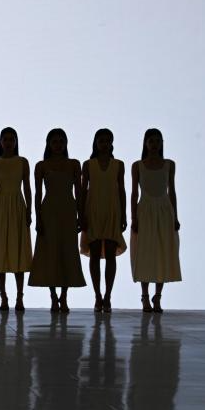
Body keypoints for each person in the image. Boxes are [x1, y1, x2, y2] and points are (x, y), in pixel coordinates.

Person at [29, 128, 85, 312]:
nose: (58, 145)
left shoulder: (74, 164)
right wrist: (38, 218)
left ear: (66, 144)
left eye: (61, 141)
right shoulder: (41, 166)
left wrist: (81, 215)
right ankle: (53, 296)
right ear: (48, 144)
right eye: (54, 142)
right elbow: (37, 194)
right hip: (49, 211)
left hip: (68, 210)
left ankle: (64, 296)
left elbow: (79, 191)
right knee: (50, 253)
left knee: (67, 252)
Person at [131, 128, 180, 312]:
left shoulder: (169, 164)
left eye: (158, 141)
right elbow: (134, 193)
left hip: (165, 210)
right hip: (145, 210)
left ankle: (158, 297)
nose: (154, 144)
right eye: (151, 141)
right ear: (145, 143)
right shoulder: (138, 165)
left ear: (162, 143)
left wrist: (175, 216)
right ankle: (144, 296)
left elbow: (172, 191)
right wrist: (133, 217)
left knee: (163, 251)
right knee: (144, 252)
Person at [0, 127, 33, 312]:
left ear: (16, 142)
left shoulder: (22, 162)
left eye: (11, 139)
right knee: (0, 251)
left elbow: (27, 187)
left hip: (17, 206)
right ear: (0, 142)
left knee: (17, 250)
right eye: (5, 139)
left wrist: (29, 210)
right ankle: (3, 296)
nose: (8, 142)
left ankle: (20, 296)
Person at [80, 128, 127, 312]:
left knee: (110, 254)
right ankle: (97, 295)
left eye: (108, 141)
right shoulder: (88, 165)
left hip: (112, 210)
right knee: (94, 254)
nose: (105, 144)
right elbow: (83, 190)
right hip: (93, 210)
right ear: (96, 143)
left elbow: (122, 190)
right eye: (101, 141)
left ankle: (108, 296)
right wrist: (81, 214)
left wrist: (124, 214)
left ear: (112, 143)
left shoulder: (119, 165)